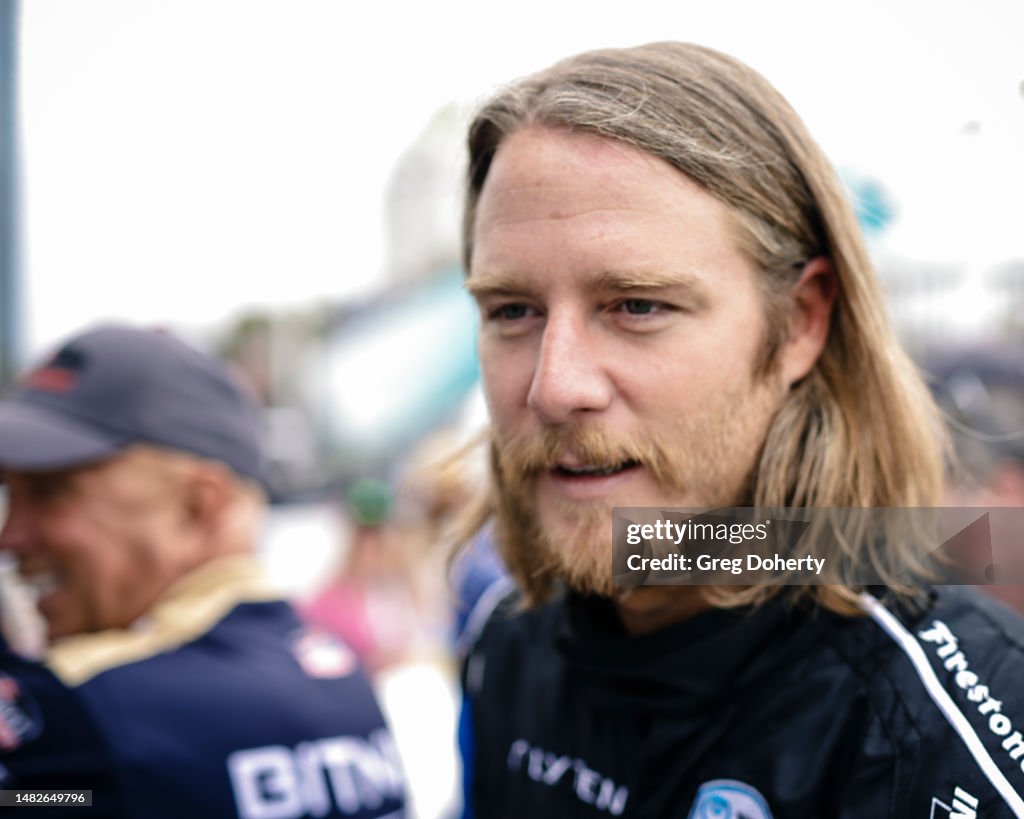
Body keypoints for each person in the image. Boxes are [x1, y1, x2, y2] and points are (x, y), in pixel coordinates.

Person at [455, 42, 1024, 818]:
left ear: (800, 321)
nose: (555, 387)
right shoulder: (508, 645)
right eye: (511, 311)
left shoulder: (939, 729)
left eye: (638, 305)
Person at [0, 324, 407, 818]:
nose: (10, 537)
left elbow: (34, 799)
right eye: (8, 494)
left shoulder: (86, 713)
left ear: (198, 506)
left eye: (48, 493)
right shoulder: (339, 680)